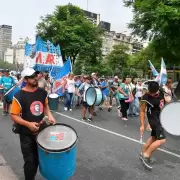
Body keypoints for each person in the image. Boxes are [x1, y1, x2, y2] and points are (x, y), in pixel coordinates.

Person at [10, 67, 56, 180]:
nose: (35, 79)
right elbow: (13, 115)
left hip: (42, 132)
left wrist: (50, 116)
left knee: (45, 158)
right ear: (25, 79)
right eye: (31, 77)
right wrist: (28, 124)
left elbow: (45, 106)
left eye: (35, 76)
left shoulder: (42, 92)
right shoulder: (19, 96)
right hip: (26, 134)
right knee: (30, 162)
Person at [139, 81, 166, 170]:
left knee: (154, 138)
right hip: (154, 120)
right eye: (149, 91)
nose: (149, 93)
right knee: (162, 140)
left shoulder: (161, 93)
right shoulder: (145, 97)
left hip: (161, 118)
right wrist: (142, 125)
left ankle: (143, 153)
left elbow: (165, 102)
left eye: (152, 92)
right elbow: (142, 111)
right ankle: (146, 155)